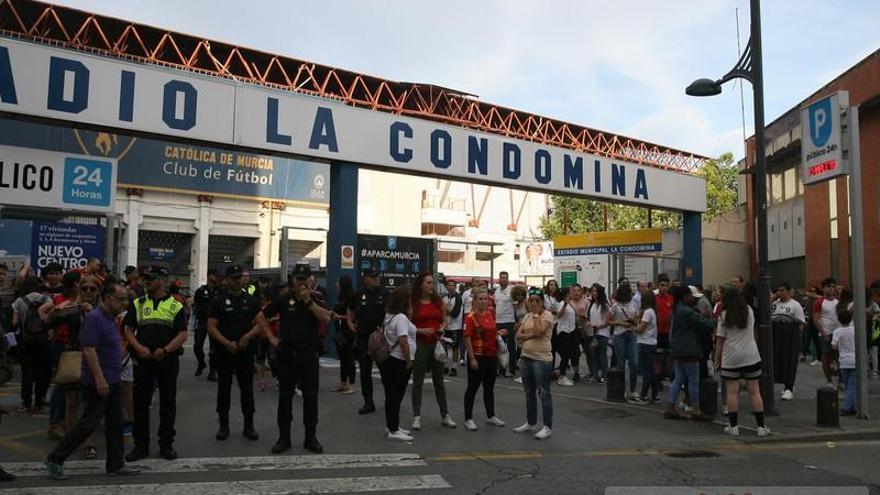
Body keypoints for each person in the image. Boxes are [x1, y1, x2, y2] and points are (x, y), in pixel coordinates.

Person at [45, 282, 141, 480]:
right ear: (107, 298)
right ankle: (55, 459)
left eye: (125, 299)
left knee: (116, 423)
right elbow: (89, 350)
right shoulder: (95, 318)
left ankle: (115, 464)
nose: (124, 303)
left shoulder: (111, 319)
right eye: (120, 299)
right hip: (99, 382)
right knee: (88, 424)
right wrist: (99, 379)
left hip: (113, 379)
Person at [256, 263, 333, 454]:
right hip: (287, 353)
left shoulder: (316, 298)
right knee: (285, 396)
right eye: (298, 278)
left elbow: (326, 319)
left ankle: (310, 437)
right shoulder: (283, 299)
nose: (300, 282)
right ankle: (284, 437)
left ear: (309, 280)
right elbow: (260, 316)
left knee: (311, 396)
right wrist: (272, 339)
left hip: (308, 354)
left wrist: (308, 302)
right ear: (292, 279)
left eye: (304, 279)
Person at [124, 265, 188, 462]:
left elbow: (183, 334)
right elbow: (128, 329)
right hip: (143, 360)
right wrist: (138, 348)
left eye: (150, 278)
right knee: (140, 403)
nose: (146, 281)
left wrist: (166, 349)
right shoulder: (137, 304)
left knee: (168, 403)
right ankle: (140, 445)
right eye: (144, 278)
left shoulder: (175, 305)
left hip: (167, 360)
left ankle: (166, 445)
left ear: (162, 280)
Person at [207, 265, 263, 442]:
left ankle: (249, 425)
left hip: (245, 352)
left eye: (240, 277)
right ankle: (223, 426)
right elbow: (211, 326)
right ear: (227, 280)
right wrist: (225, 342)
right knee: (224, 389)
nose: (238, 281)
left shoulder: (251, 301)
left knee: (247, 389)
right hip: (224, 351)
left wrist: (248, 336)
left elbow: (261, 323)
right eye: (234, 277)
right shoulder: (218, 301)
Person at [714, 287, 769, 436]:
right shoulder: (749, 311)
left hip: (731, 357)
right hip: (751, 355)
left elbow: (720, 340)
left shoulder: (723, 316)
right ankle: (761, 427)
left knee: (732, 392)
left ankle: (734, 426)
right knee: (755, 392)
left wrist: (716, 359)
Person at [410, 271, 457, 431]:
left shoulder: (438, 302)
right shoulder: (413, 303)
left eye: (432, 283)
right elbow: (408, 326)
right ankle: (416, 416)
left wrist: (441, 328)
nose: (431, 286)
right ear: (421, 285)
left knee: (439, 382)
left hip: (437, 343)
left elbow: (445, 321)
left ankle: (445, 415)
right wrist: (421, 331)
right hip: (421, 344)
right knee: (418, 382)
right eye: (428, 283)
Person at [664, 285, 715, 421]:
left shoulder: (676, 309)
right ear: (685, 297)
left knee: (678, 379)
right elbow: (703, 324)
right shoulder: (686, 311)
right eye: (690, 296)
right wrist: (715, 321)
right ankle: (696, 410)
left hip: (678, 348)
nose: (692, 298)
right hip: (689, 349)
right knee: (693, 380)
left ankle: (670, 407)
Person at [462, 288, 505, 431]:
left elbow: (491, 333)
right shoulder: (470, 317)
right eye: (480, 299)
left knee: (489, 387)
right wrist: (472, 358)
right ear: (474, 301)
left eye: (485, 299)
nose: (483, 301)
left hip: (491, 356)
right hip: (478, 356)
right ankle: (468, 418)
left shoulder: (490, 314)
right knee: (473, 388)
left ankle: (491, 415)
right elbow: (467, 338)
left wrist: (499, 332)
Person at [514, 287, 554, 440]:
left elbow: (540, 331)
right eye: (531, 300)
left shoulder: (547, 315)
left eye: (537, 300)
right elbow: (518, 335)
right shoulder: (527, 317)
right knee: (529, 392)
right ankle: (531, 422)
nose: (533, 303)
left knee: (544, 393)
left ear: (542, 302)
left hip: (541, 360)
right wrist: (528, 335)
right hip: (526, 357)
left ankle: (547, 426)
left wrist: (536, 316)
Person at [347, 268, 387, 415]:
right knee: (365, 371)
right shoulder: (359, 294)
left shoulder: (384, 294)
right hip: (364, 337)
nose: (376, 279)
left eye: (377, 276)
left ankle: (390, 400)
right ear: (366, 279)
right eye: (373, 277)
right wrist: (350, 323)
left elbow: (390, 312)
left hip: (380, 338)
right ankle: (368, 402)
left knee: (385, 370)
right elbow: (350, 309)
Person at [380, 287, 417, 442]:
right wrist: (409, 361)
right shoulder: (401, 318)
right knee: (396, 395)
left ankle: (392, 424)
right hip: (399, 361)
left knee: (391, 395)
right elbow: (403, 340)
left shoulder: (390, 315)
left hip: (390, 360)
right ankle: (393, 429)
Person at [12, 276, 52, 414]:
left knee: (27, 372)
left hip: (26, 340)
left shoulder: (19, 301)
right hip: (42, 340)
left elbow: (15, 323)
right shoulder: (47, 300)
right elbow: (50, 321)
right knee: (41, 371)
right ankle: (39, 402)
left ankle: (26, 403)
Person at [771, 282, 806, 401]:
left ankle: (789, 388)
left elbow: (801, 324)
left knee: (789, 361)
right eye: (778, 290)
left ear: (789, 291)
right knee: (775, 360)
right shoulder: (774, 304)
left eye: (782, 290)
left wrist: (797, 339)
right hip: (776, 335)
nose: (780, 293)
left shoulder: (795, 305)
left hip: (789, 336)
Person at [609, 284, 639, 400]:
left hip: (631, 333)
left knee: (634, 363)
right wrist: (621, 323)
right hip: (619, 335)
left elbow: (637, 319)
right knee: (621, 364)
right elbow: (608, 320)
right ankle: (622, 389)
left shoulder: (634, 304)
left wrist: (633, 321)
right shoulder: (615, 306)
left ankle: (633, 389)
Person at [193, 268, 222, 381]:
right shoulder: (201, 291)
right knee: (197, 346)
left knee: (214, 348)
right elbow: (196, 305)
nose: (217, 278)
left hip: (215, 322)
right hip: (202, 321)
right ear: (209, 276)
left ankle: (212, 371)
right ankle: (201, 363)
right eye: (215, 275)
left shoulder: (220, 291)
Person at [812, 277, 839, 386]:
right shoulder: (819, 302)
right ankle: (829, 381)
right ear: (823, 288)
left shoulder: (839, 301)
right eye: (828, 287)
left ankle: (838, 378)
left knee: (837, 357)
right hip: (826, 333)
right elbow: (815, 318)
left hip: (838, 333)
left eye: (833, 286)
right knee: (826, 356)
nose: (831, 289)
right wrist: (822, 332)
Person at [333, 275, 356, 394]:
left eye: (338, 282)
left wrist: (340, 316)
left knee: (348, 357)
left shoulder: (351, 297)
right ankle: (343, 383)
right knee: (342, 357)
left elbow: (352, 315)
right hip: (340, 329)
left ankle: (352, 384)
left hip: (348, 330)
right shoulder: (340, 297)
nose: (336, 284)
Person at [832, 309, 857, 415]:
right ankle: (851, 406)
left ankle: (848, 407)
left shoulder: (837, 331)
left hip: (843, 361)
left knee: (847, 385)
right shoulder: (854, 330)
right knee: (852, 385)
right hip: (855, 360)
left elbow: (834, 345)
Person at [635, 291, 658, 403]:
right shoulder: (652, 311)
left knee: (646, 371)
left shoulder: (647, 312)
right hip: (652, 342)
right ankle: (654, 395)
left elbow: (640, 329)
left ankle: (643, 394)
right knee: (652, 370)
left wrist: (632, 327)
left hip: (645, 343)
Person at [555, 286, 580, 386]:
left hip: (570, 332)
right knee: (565, 355)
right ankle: (562, 376)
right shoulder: (562, 303)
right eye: (570, 292)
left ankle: (563, 374)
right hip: (563, 332)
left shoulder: (570, 304)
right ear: (566, 294)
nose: (572, 294)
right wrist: (565, 304)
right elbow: (559, 315)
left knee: (570, 354)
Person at [494, 272, 517, 377]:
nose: (503, 280)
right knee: (500, 347)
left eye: (505, 278)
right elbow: (495, 306)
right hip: (498, 322)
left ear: (508, 279)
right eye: (501, 278)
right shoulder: (496, 291)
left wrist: (517, 321)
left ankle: (511, 369)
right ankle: (502, 369)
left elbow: (516, 305)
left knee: (511, 347)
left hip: (509, 322)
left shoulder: (512, 290)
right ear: (499, 279)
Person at [587, 284, 611, 383]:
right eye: (592, 291)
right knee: (593, 355)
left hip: (603, 333)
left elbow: (608, 321)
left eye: (596, 291)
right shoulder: (591, 304)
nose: (593, 293)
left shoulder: (605, 305)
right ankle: (595, 375)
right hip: (593, 333)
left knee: (602, 354)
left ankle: (604, 376)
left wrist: (598, 327)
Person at [654, 275, 674, 382]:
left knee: (669, 355)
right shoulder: (655, 299)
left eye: (666, 285)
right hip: (658, 332)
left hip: (669, 332)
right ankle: (658, 378)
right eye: (662, 285)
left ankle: (670, 375)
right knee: (658, 357)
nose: (664, 288)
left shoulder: (671, 298)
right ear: (658, 286)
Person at [444, 279, 463, 377]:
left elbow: (455, 313)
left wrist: (446, 309)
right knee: (445, 347)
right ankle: (446, 365)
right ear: (446, 286)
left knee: (455, 347)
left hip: (456, 326)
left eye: (452, 285)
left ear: (455, 287)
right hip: (446, 327)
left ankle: (454, 367)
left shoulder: (458, 298)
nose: (451, 287)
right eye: (449, 285)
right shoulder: (444, 298)